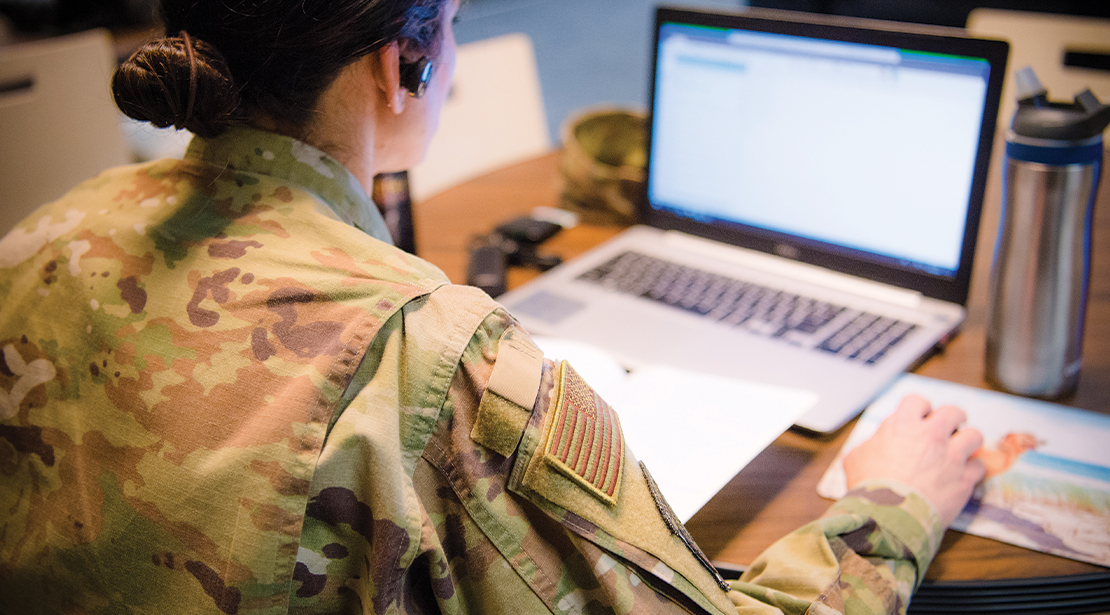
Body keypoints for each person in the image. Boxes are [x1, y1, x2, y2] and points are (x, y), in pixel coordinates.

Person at [0, 0, 986, 613]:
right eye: (457, 23)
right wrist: (892, 505)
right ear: (406, 64)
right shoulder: (436, 361)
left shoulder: (36, 241)